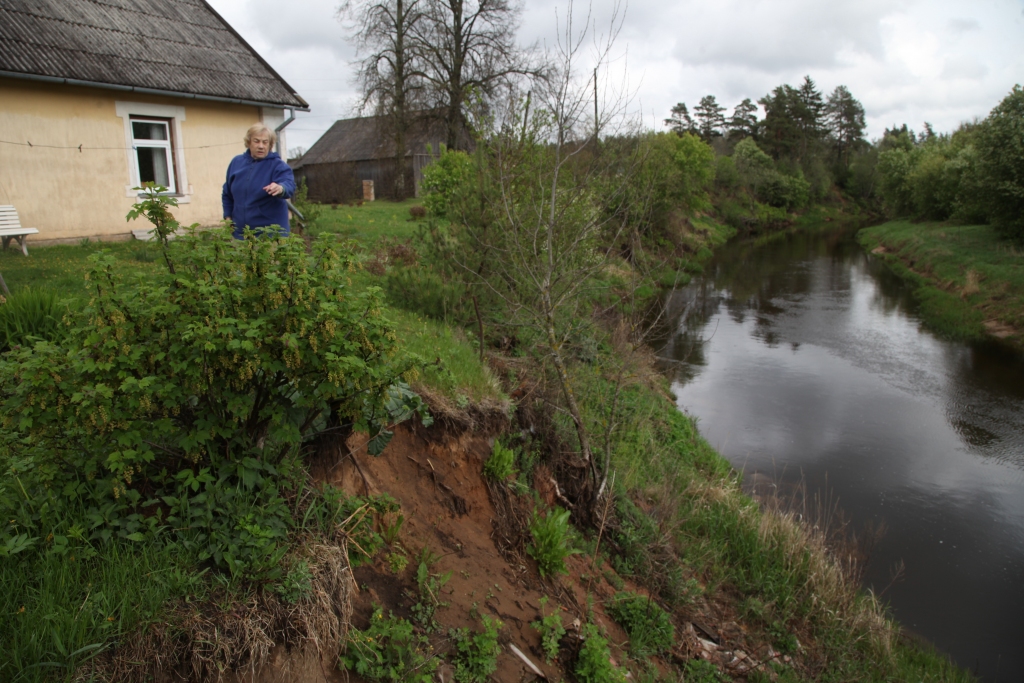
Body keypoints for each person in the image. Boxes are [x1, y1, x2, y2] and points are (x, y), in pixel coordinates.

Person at [222, 123, 296, 239]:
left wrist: (281, 188)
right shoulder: (236, 163)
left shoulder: (278, 166)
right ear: (249, 142)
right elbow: (227, 193)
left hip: (270, 235)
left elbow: (289, 185)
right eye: (256, 141)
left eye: (265, 142)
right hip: (240, 234)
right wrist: (228, 217)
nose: (261, 146)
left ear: (270, 145)